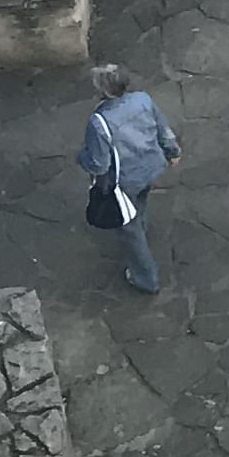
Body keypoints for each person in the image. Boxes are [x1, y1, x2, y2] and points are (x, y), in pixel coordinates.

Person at [78, 64, 181, 296]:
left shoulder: (99, 121)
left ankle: (145, 278)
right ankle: (141, 223)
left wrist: (81, 156)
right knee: (141, 200)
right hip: (151, 166)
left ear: (103, 91)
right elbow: (162, 129)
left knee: (128, 231)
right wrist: (172, 152)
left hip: (123, 182)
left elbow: (99, 163)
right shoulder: (142, 100)